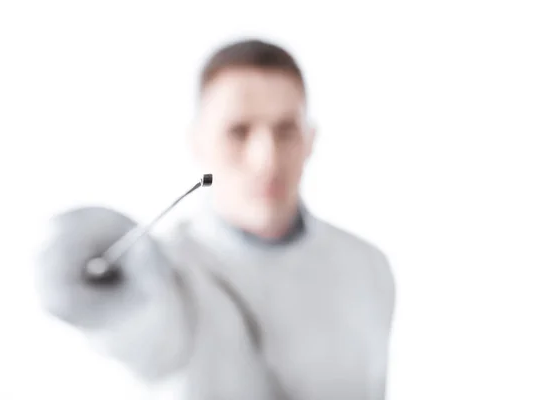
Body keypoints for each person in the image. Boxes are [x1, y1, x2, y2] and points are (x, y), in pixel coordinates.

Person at [33, 38, 396, 400]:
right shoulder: (163, 276)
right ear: (198, 141)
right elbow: (144, 335)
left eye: (285, 130)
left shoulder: (367, 267)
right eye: (238, 132)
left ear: (310, 140)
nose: (266, 158)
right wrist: (96, 291)